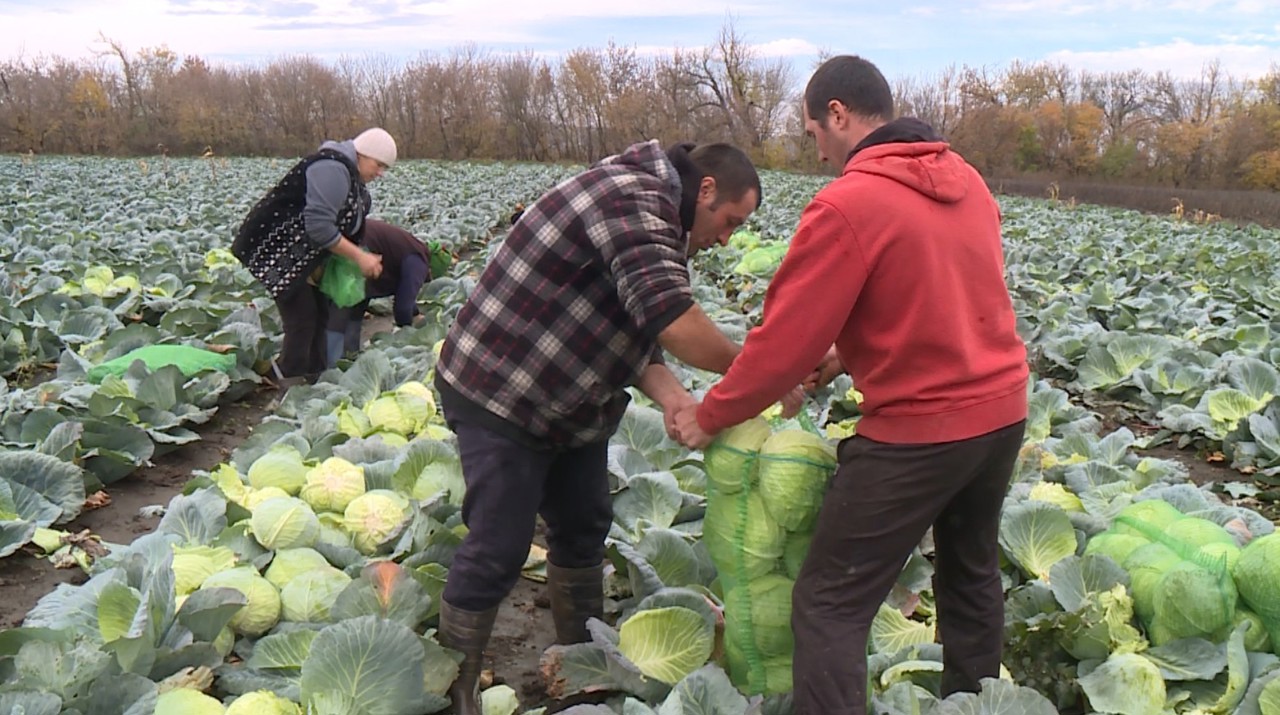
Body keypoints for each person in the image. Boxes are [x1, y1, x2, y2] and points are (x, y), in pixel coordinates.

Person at [672, 55, 1030, 715]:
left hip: (922, 429)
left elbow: (782, 344)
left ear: (837, 114)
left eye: (814, 134)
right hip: (1002, 414)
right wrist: (844, 353)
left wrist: (713, 413)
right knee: (971, 575)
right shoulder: (970, 182)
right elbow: (942, 296)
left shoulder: (849, 200)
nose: (821, 152)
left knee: (827, 601)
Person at [431, 140, 801, 714]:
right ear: (705, 190)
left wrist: (676, 397)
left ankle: (581, 663)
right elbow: (674, 320)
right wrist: (762, 374)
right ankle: (455, 694)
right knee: (499, 546)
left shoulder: (667, 219)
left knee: (584, 525)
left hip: (569, 400)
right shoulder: (632, 200)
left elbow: (640, 335)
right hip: (501, 390)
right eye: (730, 221)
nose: (729, 238)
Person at [232, 127, 396, 385]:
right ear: (362, 155)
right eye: (379, 164)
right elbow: (319, 226)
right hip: (277, 249)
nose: (380, 173)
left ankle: (316, 380)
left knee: (320, 313)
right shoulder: (331, 168)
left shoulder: (354, 180)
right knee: (302, 318)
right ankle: (287, 382)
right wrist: (359, 257)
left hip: (305, 255)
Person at [323, 218, 452, 367]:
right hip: (358, 249)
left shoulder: (414, 250)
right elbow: (402, 306)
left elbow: (405, 291)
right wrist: (407, 331)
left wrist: (415, 313)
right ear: (432, 269)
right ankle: (331, 364)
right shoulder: (418, 263)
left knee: (356, 303)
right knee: (343, 307)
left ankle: (348, 355)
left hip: (356, 242)